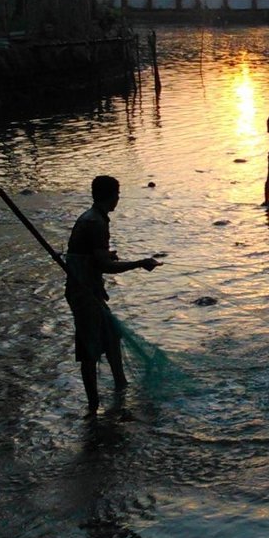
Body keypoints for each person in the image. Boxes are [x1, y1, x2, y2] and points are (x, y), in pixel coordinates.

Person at [65, 175, 160, 416]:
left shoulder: (91, 218)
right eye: (117, 194)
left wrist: (106, 255)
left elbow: (92, 256)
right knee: (88, 350)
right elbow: (104, 266)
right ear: (110, 196)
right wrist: (140, 263)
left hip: (88, 290)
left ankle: (120, 388)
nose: (118, 198)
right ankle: (93, 406)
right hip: (84, 294)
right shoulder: (96, 223)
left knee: (112, 337)